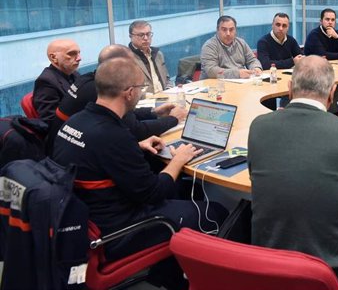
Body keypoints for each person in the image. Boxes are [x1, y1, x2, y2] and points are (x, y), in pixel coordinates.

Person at [52, 57, 227, 290]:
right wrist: (179, 160)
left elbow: (94, 160)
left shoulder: (75, 122)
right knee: (216, 211)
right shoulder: (114, 136)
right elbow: (154, 193)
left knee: (184, 191)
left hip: (85, 220)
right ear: (129, 92)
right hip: (116, 232)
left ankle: (167, 273)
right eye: (141, 88)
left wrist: (135, 148)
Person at [247, 55, 338, 289]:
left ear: (289, 88)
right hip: (326, 273)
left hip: (269, 268)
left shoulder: (259, 126)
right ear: (333, 92)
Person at [48, 44, 185, 152]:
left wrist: (153, 113)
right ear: (115, 67)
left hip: (70, 148)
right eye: (130, 65)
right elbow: (135, 130)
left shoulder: (89, 79)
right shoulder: (101, 90)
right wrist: (173, 119)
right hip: (82, 154)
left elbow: (125, 116)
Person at [304, 8, 338, 116]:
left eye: (333, 19)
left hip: (334, 69)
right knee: (330, 82)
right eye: (327, 19)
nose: (330, 22)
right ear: (321, 21)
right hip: (315, 71)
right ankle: (332, 110)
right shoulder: (314, 35)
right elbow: (324, 55)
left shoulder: (337, 33)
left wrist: (337, 37)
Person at [33, 39, 82, 123]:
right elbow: (51, 121)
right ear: (54, 57)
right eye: (71, 54)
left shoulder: (74, 73)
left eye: (78, 53)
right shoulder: (45, 82)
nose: (79, 58)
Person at [128, 20, 172, 94]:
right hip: (145, 102)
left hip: (164, 97)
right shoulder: (126, 58)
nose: (145, 38)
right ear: (131, 36)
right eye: (141, 35)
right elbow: (128, 89)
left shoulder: (158, 54)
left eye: (148, 34)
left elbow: (167, 79)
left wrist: (169, 90)